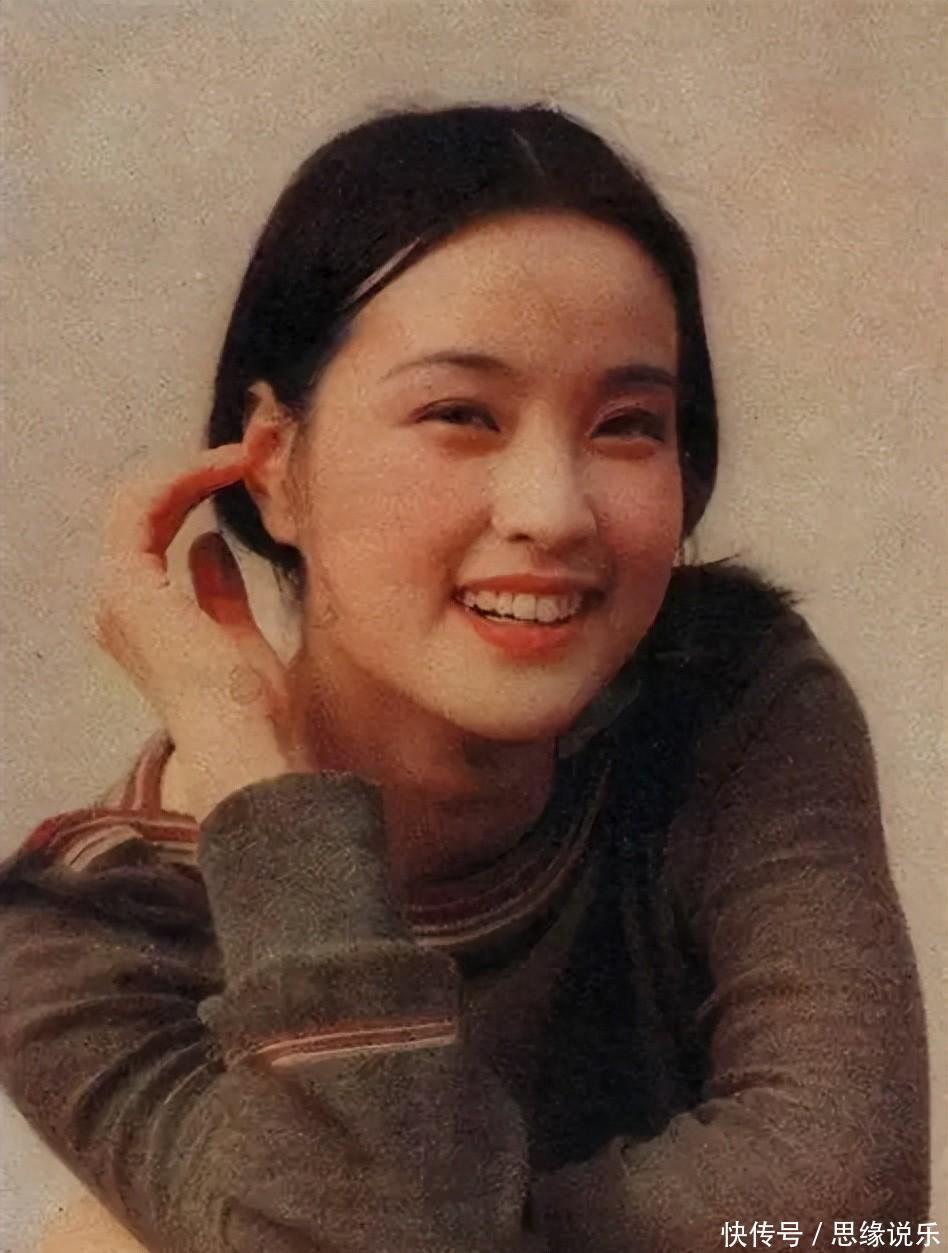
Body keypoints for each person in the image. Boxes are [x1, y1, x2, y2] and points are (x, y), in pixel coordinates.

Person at [0, 104, 929, 1253]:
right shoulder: (83, 931)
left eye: (628, 424)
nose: (554, 510)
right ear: (274, 465)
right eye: (460, 414)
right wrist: (253, 770)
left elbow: (851, 1204)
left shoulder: (726, 693)